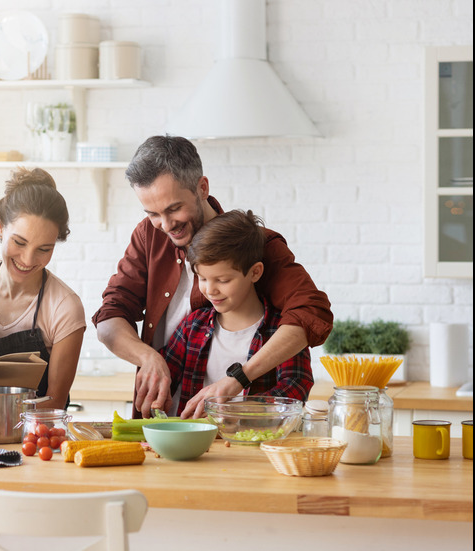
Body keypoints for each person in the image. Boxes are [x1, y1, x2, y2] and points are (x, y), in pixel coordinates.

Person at [92, 135, 333, 418]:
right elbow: (109, 318)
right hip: (170, 422)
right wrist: (148, 357)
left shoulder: (254, 244)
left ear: (202, 187)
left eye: (173, 209)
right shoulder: (149, 235)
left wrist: (238, 381)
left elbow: (311, 313)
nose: (166, 225)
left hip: (241, 429)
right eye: (152, 213)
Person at [0, 167, 86, 410]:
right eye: (19, 242)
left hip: (35, 438)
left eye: (44, 249)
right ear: (1, 227)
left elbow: (55, 402)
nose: (27, 259)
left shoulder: (64, 307)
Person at [162, 210, 313, 419]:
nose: (210, 290)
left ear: (255, 272)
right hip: (195, 444)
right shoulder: (192, 327)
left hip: (254, 444)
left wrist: (234, 411)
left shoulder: (281, 331)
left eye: (222, 280)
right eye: (202, 278)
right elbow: (164, 378)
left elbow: (295, 388)